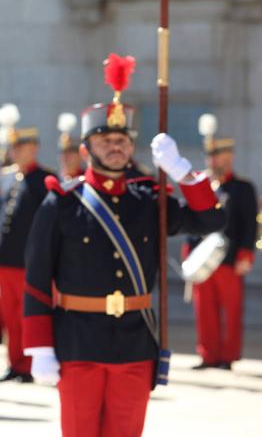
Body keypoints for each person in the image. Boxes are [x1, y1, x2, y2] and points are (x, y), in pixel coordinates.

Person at [22, 54, 226, 437]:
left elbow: (212, 221)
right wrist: (39, 346)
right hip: (77, 341)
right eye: (105, 140)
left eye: (122, 140)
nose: (115, 146)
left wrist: (183, 172)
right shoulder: (62, 201)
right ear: (86, 149)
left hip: (135, 343)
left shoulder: (148, 199)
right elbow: (36, 276)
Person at [185, 114, 258, 370]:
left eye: (220, 156)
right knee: (204, 310)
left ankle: (228, 356)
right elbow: (192, 221)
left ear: (230, 158)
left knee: (231, 310)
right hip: (204, 259)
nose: (215, 161)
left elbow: (251, 223)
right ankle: (208, 354)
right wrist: (189, 254)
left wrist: (246, 254)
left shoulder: (243, 188)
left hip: (229, 258)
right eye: (211, 156)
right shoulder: (204, 186)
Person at [0, 112, 55, 383]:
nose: (14, 151)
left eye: (20, 147)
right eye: (13, 147)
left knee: (26, 315)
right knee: (9, 316)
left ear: (34, 147)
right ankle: (14, 363)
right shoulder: (8, 178)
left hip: (29, 261)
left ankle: (28, 365)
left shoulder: (44, 179)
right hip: (5, 260)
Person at [56, 113, 83, 180]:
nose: (65, 157)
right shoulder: (56, 179)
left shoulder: (86, 181)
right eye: (63, 152)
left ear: (80, 155)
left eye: (70, 152)